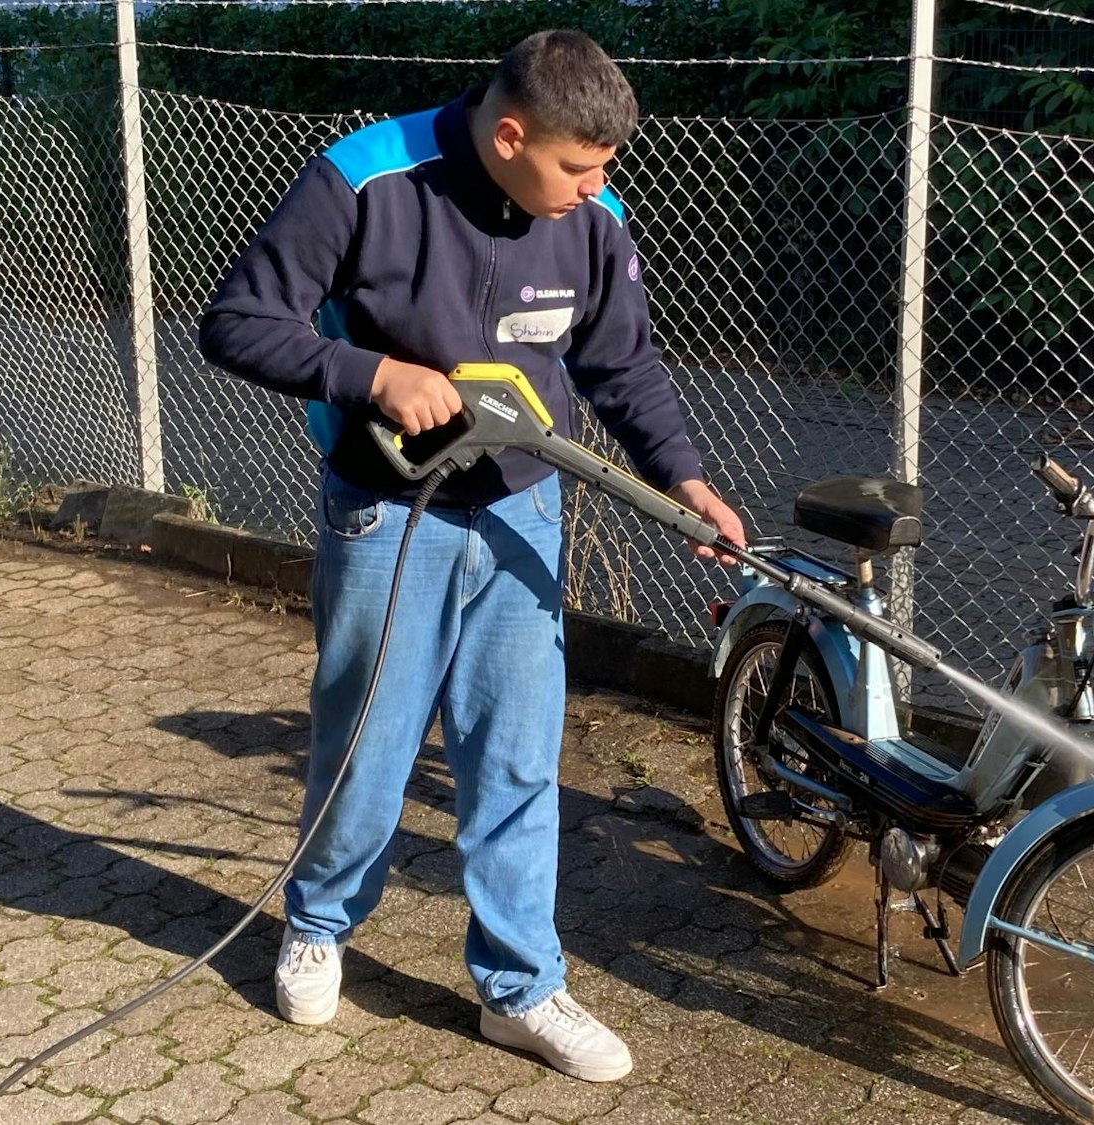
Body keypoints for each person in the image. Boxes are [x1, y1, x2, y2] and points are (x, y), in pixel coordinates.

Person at [198, 29, 745, 1082]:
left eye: (603, 170)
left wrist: (684, 476)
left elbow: (620, 362)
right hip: (386, 516)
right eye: (576, 167)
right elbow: (235, 323)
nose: (594, 189)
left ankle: (519, 988)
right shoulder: (366, 178)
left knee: (512, 756)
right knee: (368, 740)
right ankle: (316, 926)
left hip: (521, 517)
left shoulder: (590, 222)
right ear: (508, 135)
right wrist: (368, 375)